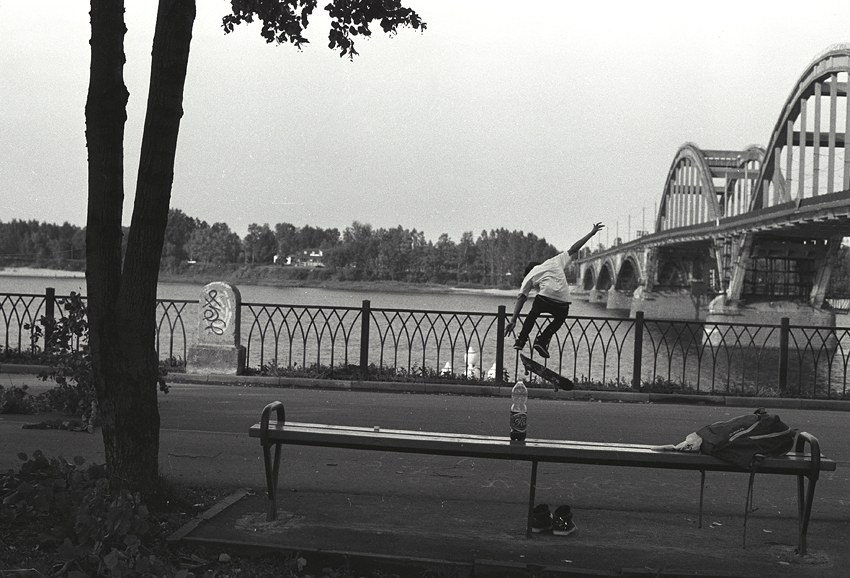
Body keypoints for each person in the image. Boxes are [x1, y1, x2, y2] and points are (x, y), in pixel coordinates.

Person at [504, 222, 604, 358]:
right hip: (563, 301)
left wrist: (513, 320)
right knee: (560, 318)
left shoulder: (530, 275)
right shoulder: (554, 261)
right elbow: (574, 248)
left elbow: (521, 298)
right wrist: (591, 233)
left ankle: (521, 340)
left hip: (544, 298)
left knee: (533, 314)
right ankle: (542, 340)